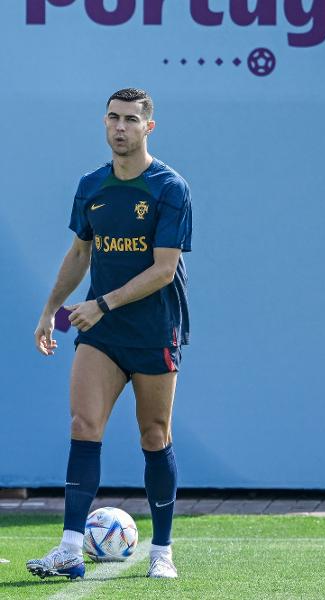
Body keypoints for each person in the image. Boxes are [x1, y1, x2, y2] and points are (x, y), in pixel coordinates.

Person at [26, 88, 192, 580]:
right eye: (113, 118)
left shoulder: (169, 187)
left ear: (149, 128)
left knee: (154, 435)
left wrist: (101, 303)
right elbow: (80, 253)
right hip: (102, 334)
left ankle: (162, 551)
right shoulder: (91, 185)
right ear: (104, 123)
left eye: (131, 120)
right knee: (83, 425)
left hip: (154, 329)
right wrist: (50, 310)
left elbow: (164, 270)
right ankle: (70, 549)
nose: (120, 128)